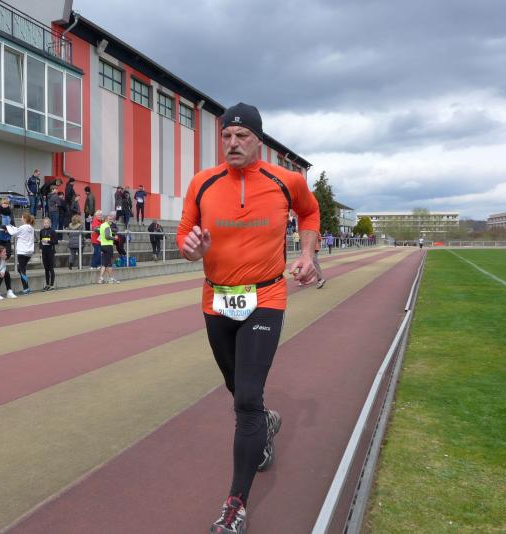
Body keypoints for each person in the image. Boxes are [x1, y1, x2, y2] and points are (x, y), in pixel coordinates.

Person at [176, 103, 320, 534]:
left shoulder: (286, 181)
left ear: (258, 140)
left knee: (245, 400)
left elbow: (310, 212)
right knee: (239, 390)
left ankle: (235, 505)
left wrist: (307, 254)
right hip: (217, 300)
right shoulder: (202, 182)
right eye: (226, 136)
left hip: (266, 296)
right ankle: (266, 422)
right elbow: (185, 236)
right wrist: (192, 249)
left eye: (241, 136)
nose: (232, 143)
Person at [7, 213, 35, 295]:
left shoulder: (23, 227)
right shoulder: (31, 228)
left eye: (22, 217)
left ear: (25, 219)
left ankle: (26, 288)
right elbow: (18, 230)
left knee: (22, 270)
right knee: (21, 269)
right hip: (29, 251)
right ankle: (26, 288)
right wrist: (12, 227)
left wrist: (8, 226)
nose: (21, 219)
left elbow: (13, 233)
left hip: (22, 251)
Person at [98, 212, 118, 284]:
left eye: (111, 219)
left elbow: (102, 234)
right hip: (108, 246)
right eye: (109, 219)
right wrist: (114, 238)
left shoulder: (102, 225)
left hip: (103, 245)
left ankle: (101, 279)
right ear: (106, 220)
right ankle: (110, 279)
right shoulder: (107, 226)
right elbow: (107, 236)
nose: (111, 220)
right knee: (109, 263)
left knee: (104, 263)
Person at [38, 217, 58, 291]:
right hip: (44, 251)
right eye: (45, 223)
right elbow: (40, 241)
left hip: (50, 251)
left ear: (50, 224)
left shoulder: (52, 231)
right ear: (43, 223)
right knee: (46, 268)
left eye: (47, 223)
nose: (46, 224)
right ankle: (47, 284)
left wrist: (48, 241)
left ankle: (52, 285)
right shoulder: (42, 231)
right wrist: (40, 248)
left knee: (51, 268)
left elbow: (56, 241)